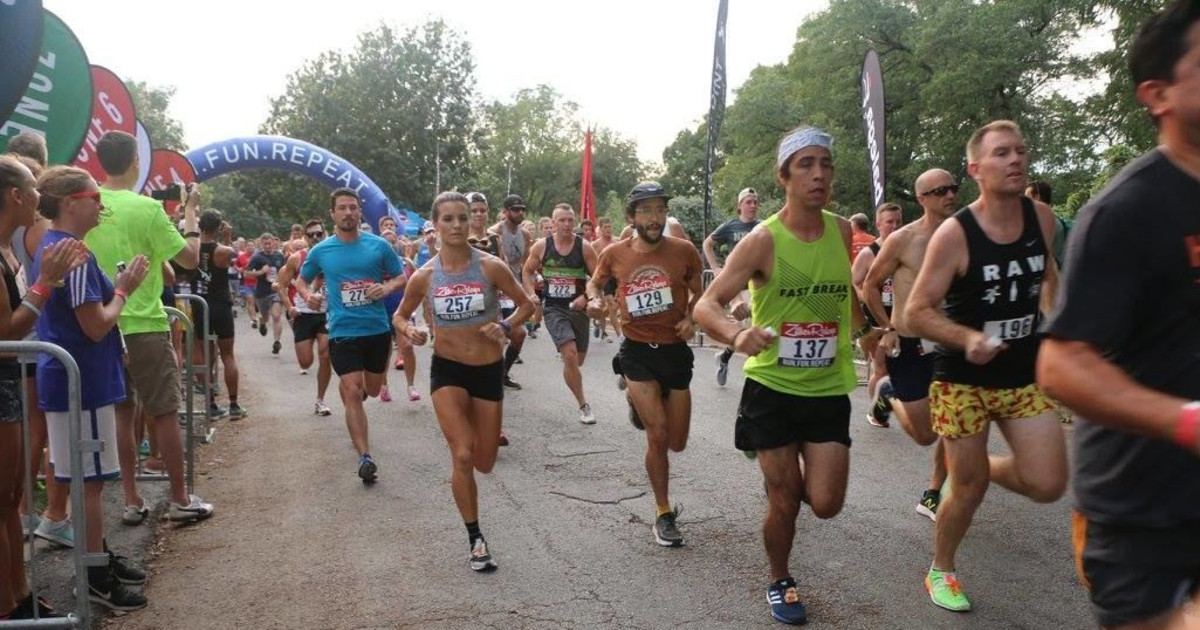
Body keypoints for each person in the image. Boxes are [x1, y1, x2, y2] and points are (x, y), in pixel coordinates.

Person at [1038, 3, 1200, 628]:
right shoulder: (1128, 210)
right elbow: (1061, 365)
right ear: (1158, 94)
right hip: (1143, 511)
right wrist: (1186, 421)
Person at [694, 126, 867, 626]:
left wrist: (871, 331)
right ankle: (780, 577)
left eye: (826, 165)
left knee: (827, 504)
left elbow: (843, 299)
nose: (819, 174)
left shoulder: (840, 231)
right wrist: (735, 334)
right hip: (772, 388)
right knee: (786, 499)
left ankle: (775, 465)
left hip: (829, 388)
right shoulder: (762, 241)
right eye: (807, 164)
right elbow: (706, 305)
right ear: (783, 175)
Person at [905, 120, 1066, 613]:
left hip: (1020, 374)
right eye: (1001, 153)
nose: (1015, 159)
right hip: (962, 379)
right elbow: (916, 311)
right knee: (967, 490)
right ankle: (941, 570)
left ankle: (979, 469)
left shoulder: (1043, 219)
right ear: (975, 169)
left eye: (1019, 151)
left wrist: (1057, 321)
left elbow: (1048, 275)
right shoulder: (956, 234)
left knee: (1048, 483)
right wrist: (967, 337)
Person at [394, 191, 533, 571]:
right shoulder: (425, 276)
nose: (456, 225)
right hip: (448, 370)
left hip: (487, 371)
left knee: (485, 461)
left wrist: (504, 325)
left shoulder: (490, 267)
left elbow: (527, 304)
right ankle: (475, 538)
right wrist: (413, 330)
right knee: (463, 454)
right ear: (435, 225)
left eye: (461, 218)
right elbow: (400, 316)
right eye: (448, 219)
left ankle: (476, 448)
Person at [34, 166, 152, 610]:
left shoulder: (58, 248)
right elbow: (96, 326)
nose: (101, 204)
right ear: (70, 202)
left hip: (76, 380)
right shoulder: (74, 254)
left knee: (89, 481)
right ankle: (96, 576)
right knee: (90, 483)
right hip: (81, 381)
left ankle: (98, 557)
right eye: (94, 196)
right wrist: (123, 290)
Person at [84, 130, 214, 525]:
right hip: (144, 324)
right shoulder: (147, 209)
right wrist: (191, 212)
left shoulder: (88, 206)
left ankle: (131, 498)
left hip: (102, 323)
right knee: (165, 412)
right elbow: (190, 259)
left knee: (123, 416)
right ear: (135, 162)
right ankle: (179, 497)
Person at [587, 181, 703, 547]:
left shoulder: (684, 251)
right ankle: (663, 511)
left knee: (678, 442)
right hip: (636, 351)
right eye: (646, 211)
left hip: (674, 351)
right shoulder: (615, 254)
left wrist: (693, 320)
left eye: (659, 210)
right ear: (632, 216)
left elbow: (704, 293)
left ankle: (635, 402)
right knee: (657, 435)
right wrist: (593, 301)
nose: (654, 218)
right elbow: (595, 285)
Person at [0, 156, 86, 621]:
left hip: (11, 388)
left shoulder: (10, 249)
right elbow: (6, 337)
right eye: (34, 187)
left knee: (13, 498)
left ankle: (19, 594)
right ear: (16, 196)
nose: (40, 196)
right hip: (5, 382)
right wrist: (47, 284)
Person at [862, 172, 957, 521]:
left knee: (953, 422)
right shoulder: (904, 239)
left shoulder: (964, 235)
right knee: (925, 434)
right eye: (940, 191)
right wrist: (884, 327)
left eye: (953, 188)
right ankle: (888, 393)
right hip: (911, 342)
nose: (950, 195)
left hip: (952, 342)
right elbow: (871, 284)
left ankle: (933, 493)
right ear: (922, 198)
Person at [298, 188, 406, 482]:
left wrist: (385, 288)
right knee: (354, 390)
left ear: (360, 212)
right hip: (342, 331)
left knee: (369, 390)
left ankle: (353, 407)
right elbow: (301, 280)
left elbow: (400, 276)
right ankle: (365, 456)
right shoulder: (321, 251)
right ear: (332, 214)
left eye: (353, 207)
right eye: (342, 208)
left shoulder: (379, 246)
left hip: (376, 330)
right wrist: (308, 295)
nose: (348, 213)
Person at [523, 203, 599, 425]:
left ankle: (570, 363)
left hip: (578, 308)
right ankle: (584, 405)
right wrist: (531, 294)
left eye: (570, 220)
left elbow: (598, 278)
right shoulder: (541, 246)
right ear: (553, 223)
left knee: (578, 360)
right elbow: (527, 272)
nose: (567, 224)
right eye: (562, 220)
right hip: (554, 308)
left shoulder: (584, 247)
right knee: (570, 355)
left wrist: (586, 298)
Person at [704, 187, 761, 387]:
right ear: (740, 205)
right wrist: (715, 268)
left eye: (755, 202)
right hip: (739, 284)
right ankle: (755, 377)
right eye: (748, 202)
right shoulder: (730, 226)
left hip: (760, 282)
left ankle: (725, 356)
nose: (753, 205)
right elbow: (707, 244)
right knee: (752, 322)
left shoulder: (764, 226)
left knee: (747, 326)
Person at [276, 219, 333, 416]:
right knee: (306, 362)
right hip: (303, 314)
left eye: (319, 234)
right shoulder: (296, 259)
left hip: (327, 313)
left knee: (325, 355)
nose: (316, 238)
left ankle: (321, 400)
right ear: (305, 237)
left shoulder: (333, 255)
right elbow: (280, 285)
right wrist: (289, 306)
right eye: (311, 235)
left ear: (324, 234)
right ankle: (305, 352)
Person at [851, 202, 903, 412]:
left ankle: (888, 404)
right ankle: (877, 411)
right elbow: (853, 282)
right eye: (889, 222)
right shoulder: (869, 253)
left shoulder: (906, 248)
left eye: (898, 222)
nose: (894, 226)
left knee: (898, 368)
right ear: (878, 224)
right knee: (881, 367)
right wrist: (867, 298)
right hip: (876, 316)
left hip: (901, 317)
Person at [192, 210, 243, 418]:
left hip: (199, 303)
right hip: (220, 304)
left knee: (204, 354)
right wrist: (228, 237)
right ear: (219, 227)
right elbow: (235, 256)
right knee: (227, 354)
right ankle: (233, 405)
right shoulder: (224, 250)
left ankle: (211, 403)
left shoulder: (190, 249)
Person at [488, 194, 533, 390]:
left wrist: (527, 288)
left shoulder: (525, 235)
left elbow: (524, 265)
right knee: (493, 335)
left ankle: (503, 373)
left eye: (522, 209)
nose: (520, 212)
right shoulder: (494, 233)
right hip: (492, 288)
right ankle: (486, 375)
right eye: (515, 209)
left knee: (519, 334)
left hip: (512, 289)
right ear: (505, 212)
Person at [246, 233, 285, 354]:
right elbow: (246, 273)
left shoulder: (279, 256)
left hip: (276, 291)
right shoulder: (257, 257)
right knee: (265, 316)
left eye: (270, 243)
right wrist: (260, 272)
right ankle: (262, 323)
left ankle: (277, 342)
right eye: (265, 244)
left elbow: (284, 271)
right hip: (262, 292)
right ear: (261, 244)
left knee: (276, 315)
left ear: (274, 243)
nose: (268, 246)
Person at [590, 216, 622, 342]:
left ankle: (598, 319)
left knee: (612, 308)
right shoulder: (595, 245)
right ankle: (619, 335)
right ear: (600, 229)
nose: (608, 229)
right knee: (612, 306)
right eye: (605, 227)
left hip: (617, 278)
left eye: (610, 226)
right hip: (604, 279)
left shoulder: (618, 241)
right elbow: (592, 264)